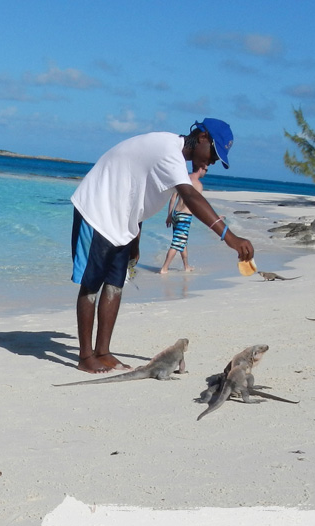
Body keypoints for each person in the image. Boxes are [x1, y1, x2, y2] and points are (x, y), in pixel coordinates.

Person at [70, 118, 254, 373]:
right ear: (202, 137)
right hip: (97, 209)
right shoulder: (169, 151)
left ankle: (103, 351)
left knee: (115, 284)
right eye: (214, 153)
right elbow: (190, 195)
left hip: (123, 220)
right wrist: (229, 237)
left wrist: (135, 238)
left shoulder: (172, 157)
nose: (212, 161)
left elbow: (137, 192)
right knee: (91, 284)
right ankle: (85, 356)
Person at [159, 166, 207, 274]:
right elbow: (198, 204)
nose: (206, 172)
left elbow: (172, 198)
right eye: (206, 169)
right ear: (201, 168)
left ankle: (186, 266)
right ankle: (164, 268)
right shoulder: (198, 185)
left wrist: (169, 215)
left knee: (182, 241)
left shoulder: (182, 180)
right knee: (177, 243)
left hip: (176, 213)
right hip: (185, 216)